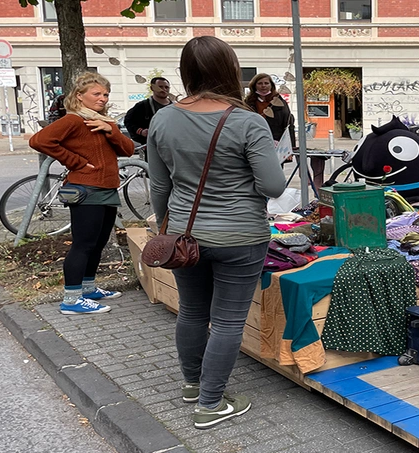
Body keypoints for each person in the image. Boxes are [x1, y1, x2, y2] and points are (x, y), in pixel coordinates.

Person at [147, 36, 287, 429]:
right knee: (226, 321)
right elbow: (274, 186)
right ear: (230, 70)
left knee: (191, 311)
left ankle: (194, 385)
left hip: (184, 234)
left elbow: (159, 186)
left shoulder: (163, 118)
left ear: (185, 72)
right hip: (241, 236)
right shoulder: (246, 121)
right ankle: (210, 403)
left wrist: (166, 227)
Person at [29, 72, 135, 315]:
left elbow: (128, 150)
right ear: (79, 96)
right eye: (96, 94)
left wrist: (111, 129)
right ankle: (71, 300)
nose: (102, 98)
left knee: (97, 243)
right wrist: (75, 162)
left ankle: (88, 289)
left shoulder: (102, 120)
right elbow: (39, 141)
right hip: (86, 188)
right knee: (83, 244)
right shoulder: (74, 120)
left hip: (107, 188)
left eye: (106, 94)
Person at [243, 73, 296, 153]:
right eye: (260, 83)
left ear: (271, 85)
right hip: (254, 143)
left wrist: (291, 147)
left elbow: (288, 125)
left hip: (276, 144)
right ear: (254, 85)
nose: (263, 86)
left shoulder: (280, 103)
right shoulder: (248, 103)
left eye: (266, 83)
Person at [124, 77, 173, 144]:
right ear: (152, 88)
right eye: (160, 87)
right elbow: (128, 121)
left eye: (166, 87)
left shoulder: (176, 106)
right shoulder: (142, 106)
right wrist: (141, 131)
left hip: (172, 145)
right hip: (151, 146)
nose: (164, 89)